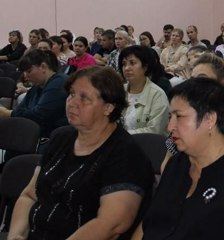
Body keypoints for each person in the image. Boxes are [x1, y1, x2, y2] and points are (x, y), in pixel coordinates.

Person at [8, 66, 154, 240]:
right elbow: (30, 195)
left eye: (84, 98)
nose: (72, 103)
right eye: (71, 94)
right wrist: (16, 235)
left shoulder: (126, 156)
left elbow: (111, 224)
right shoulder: (61, 137)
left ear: (108, 107)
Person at [132, 78, 224, 240]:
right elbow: (150, 224)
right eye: (170, 117)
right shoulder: (178, 164)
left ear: (209, 119)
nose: (170, 127)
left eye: (179, 117)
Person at [0, 49, 68, 138]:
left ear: (43, 67)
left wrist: (8, 113)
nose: (25, 76)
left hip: (49, 139)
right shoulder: (37, 86)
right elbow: (21, 110)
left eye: (29, 71)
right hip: (33, 134)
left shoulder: (59, 83)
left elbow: (38, 116)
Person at [119, 45, 169, 135]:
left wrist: (121, 136)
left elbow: (154, 131)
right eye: (124, 64)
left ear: (145, 67)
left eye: (132, 63)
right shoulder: (119, 90)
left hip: (146, 146)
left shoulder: (157, 94)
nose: (127, 68)